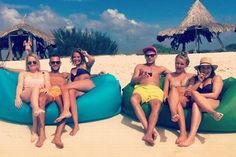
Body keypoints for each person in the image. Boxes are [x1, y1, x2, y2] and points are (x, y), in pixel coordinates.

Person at [178, 57, 224, 147]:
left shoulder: (216, 78)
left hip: (212, 102)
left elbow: (215, 95)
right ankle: (213, 114)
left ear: (211, 69)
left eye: (208, 67)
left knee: (195, 96)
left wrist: (197, 95)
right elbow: (188, 93)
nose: (205, 70)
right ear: (199, 69)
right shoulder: (194, 79)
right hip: (197, 103)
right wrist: (199, 81)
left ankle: (191, 138)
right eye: (203, 67)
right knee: (195, 102)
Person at [130, 46, 170, 146]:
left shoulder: (161, 68)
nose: (150, 57)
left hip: (155, 90)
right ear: (145, 56)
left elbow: (174, 75)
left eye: (152, 55)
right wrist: (141, 77)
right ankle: (148, 129)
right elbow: (133, 80)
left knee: (156, 106)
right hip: (142, 88)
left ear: (156, 56)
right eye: (147, 55)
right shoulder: (140, 66)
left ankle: (148, 134)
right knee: (133, 99)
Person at [55, 48, 95, 136]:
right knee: (71, 92)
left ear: (81, 57)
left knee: (64, 87)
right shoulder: (72, 70)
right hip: (78, 89)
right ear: (72, 59)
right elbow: (70, 83)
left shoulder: (85, 65)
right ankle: (76, 125)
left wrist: (86, 54)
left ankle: (65, 111)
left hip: (87, 84)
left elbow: (92, 60)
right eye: (74, 57)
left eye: (78, 57)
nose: (76, 59)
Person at [15, 53, 51, 142]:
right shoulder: (23, 73)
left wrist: (47, 89)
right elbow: (19, 86)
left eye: (34, 62)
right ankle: (36, 108)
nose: (32, 64)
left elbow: (48, 84)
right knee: (35, 87)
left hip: (38, 95)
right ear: (27, 64)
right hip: (26, 93)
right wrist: (17, 97)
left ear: (37, 62)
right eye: (29, 62)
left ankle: (34, 132)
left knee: (35, 99)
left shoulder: (44, 73)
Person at [36, 54, 70, 148]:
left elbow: (82, 75)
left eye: (57, 62)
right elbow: (25, 71)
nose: (55, 64)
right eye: (53, 62)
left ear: (60, 63)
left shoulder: (65, 74)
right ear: (49, 63)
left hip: (60, 93)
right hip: (49, 93)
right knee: (41, 98)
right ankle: (42, 134)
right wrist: (5, 67)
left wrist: (98, 74)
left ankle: (57, 137)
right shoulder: (45, 73)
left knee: (64, 110)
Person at [163, 52, 194, 144]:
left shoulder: (191, 76)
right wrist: (165, 97)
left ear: (186, 65)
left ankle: (174, 115)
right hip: (173, 100)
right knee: (173, 90)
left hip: (185, 99)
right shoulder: (169, 76)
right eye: (177, 63)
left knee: (175, 94)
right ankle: (183, 133)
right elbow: (165, 92)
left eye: (182, 64)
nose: (179, 66)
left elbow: (189, 91)